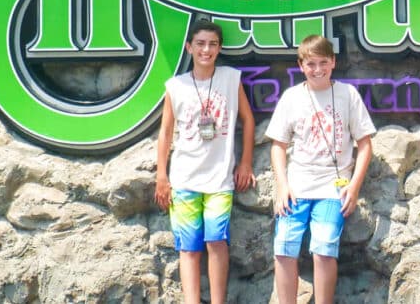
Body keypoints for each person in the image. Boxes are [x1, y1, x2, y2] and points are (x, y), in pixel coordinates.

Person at [266, 35, 376, 304]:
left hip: (332, 187)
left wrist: (354, 186)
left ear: (334, 62)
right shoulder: (292, 97)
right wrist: (282, 186)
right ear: (301, 65)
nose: (317, 69)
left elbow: (365, 144)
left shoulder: (347, 94)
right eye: (311, 63)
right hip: (297, 186)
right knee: (283, 248)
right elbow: (278, 146)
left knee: (324, 248)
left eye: (323, 62)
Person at [154, 19, 257, 304]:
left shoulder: (229, 78)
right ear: (189, 47)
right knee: (188, 248)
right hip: (184, 178)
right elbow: (165, 133)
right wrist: (162, 176)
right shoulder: (175, 86)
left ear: (219, 48)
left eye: (212, 44)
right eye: (200, 43)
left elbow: (248, 120)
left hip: (220, 179)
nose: (206, 50)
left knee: (216, 241)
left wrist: (246, 161)